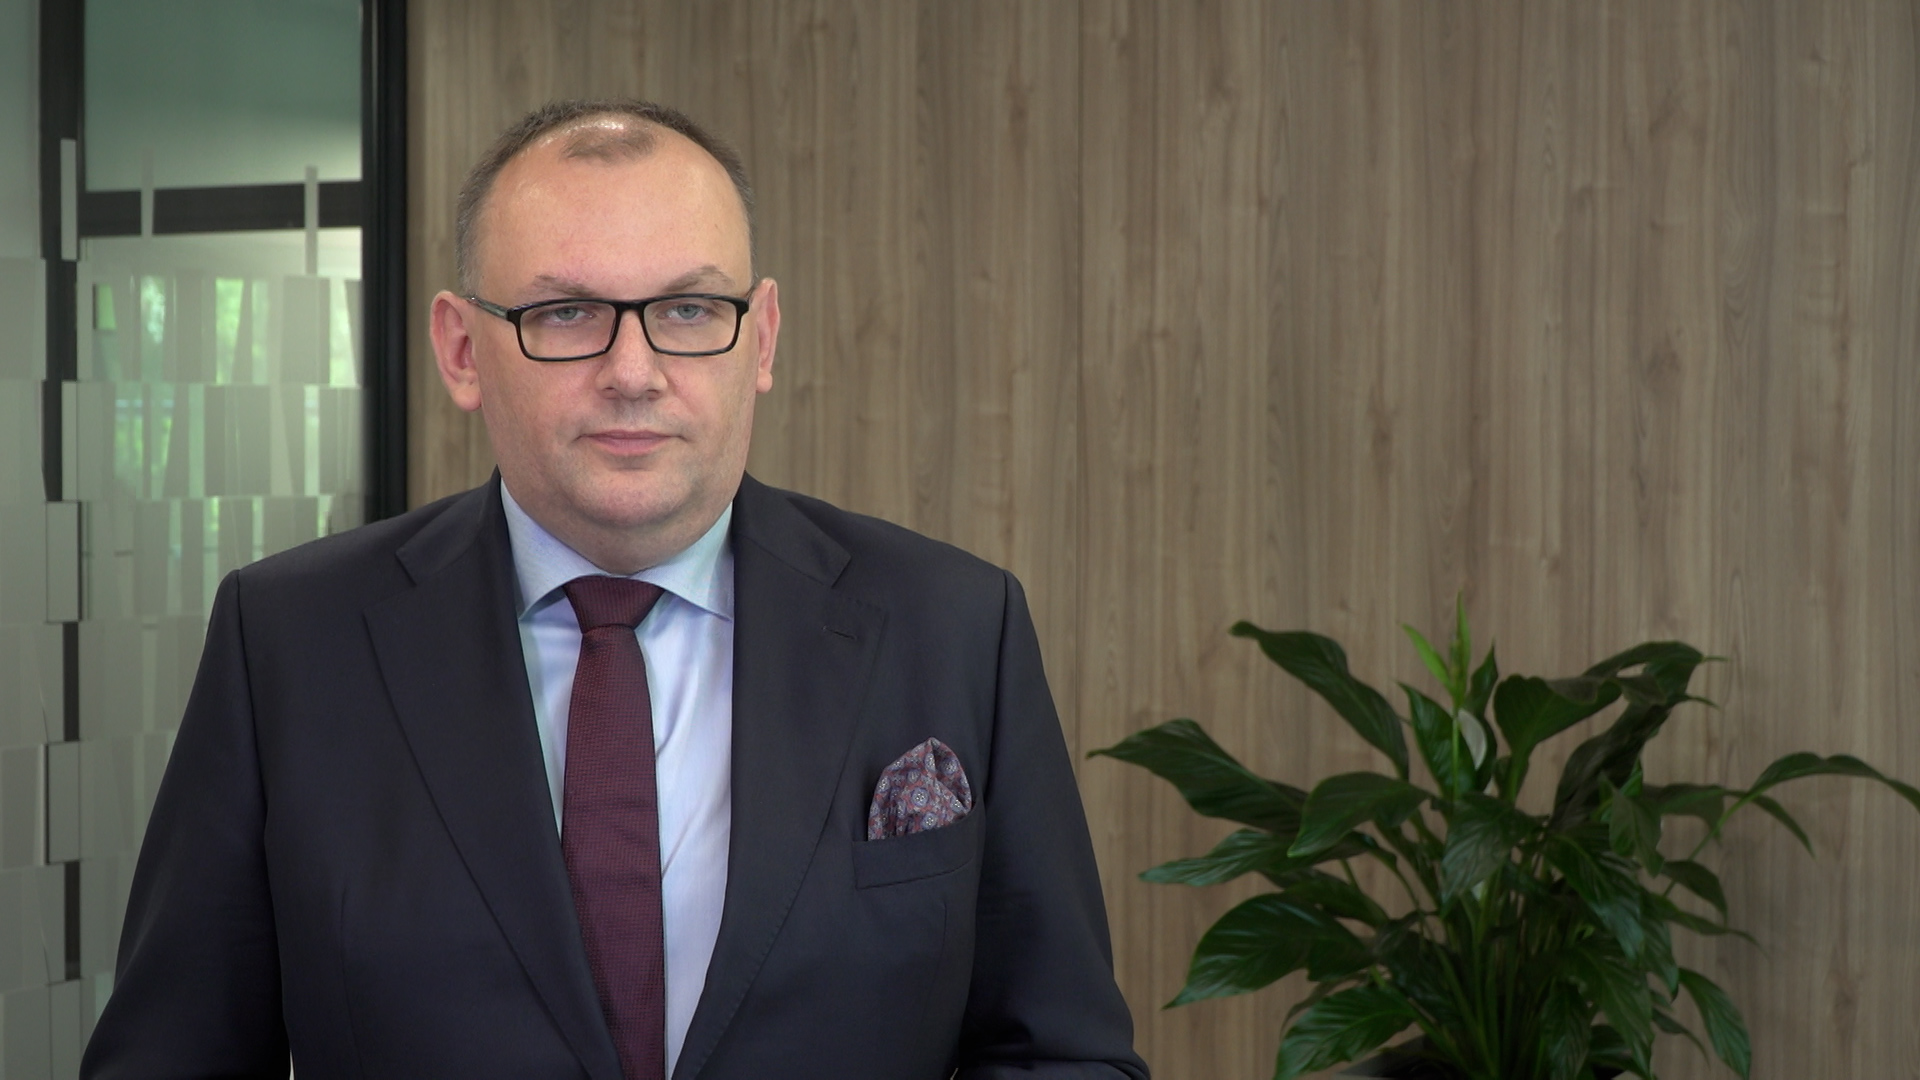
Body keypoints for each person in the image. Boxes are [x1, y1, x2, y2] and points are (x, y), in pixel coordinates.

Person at [80, 100, 1148, 1080]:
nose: (634, 371)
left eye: (688, 308)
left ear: (761, 337)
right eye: (566, 313)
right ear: (462, 349)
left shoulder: (953, 625)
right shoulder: (289, 642)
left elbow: (1061, 1055)